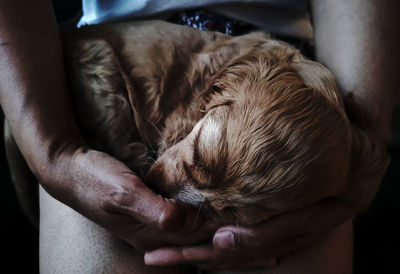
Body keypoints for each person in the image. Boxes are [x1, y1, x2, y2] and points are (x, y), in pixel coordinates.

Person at [0, 0, 398, 273]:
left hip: (301, 90)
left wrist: (359, 158)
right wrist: (55, 152)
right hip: (106, 56)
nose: (177, 202)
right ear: (215, 98)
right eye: (196, 162)